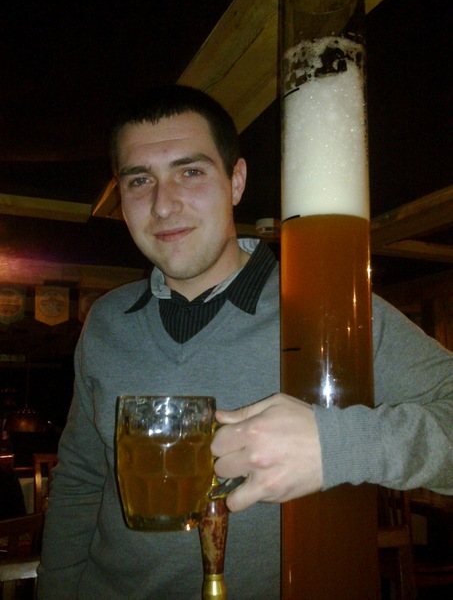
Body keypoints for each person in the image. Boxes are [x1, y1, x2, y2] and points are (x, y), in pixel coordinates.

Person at [37, 85, 453, 599]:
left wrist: (339, 445)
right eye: (139, 180)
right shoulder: (105, 321)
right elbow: (81, 481)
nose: (163, 205)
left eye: (190, 172)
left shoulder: (329, 312)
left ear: (236, 182)